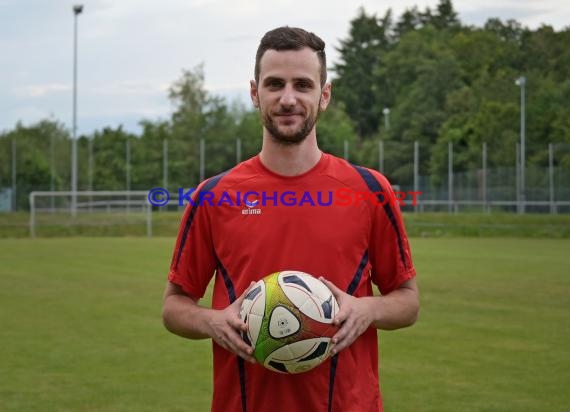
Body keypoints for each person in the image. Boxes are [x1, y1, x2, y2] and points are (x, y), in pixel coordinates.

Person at [162, 26, 419, 412]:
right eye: (274, 84)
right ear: (255, 93)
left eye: (302, 84)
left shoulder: (369, 189)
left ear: (324, 94)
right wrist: (213, 322)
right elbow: (174, 307)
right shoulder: (213, 196)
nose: (288, 99)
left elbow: (408, 301)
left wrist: (367, 309)